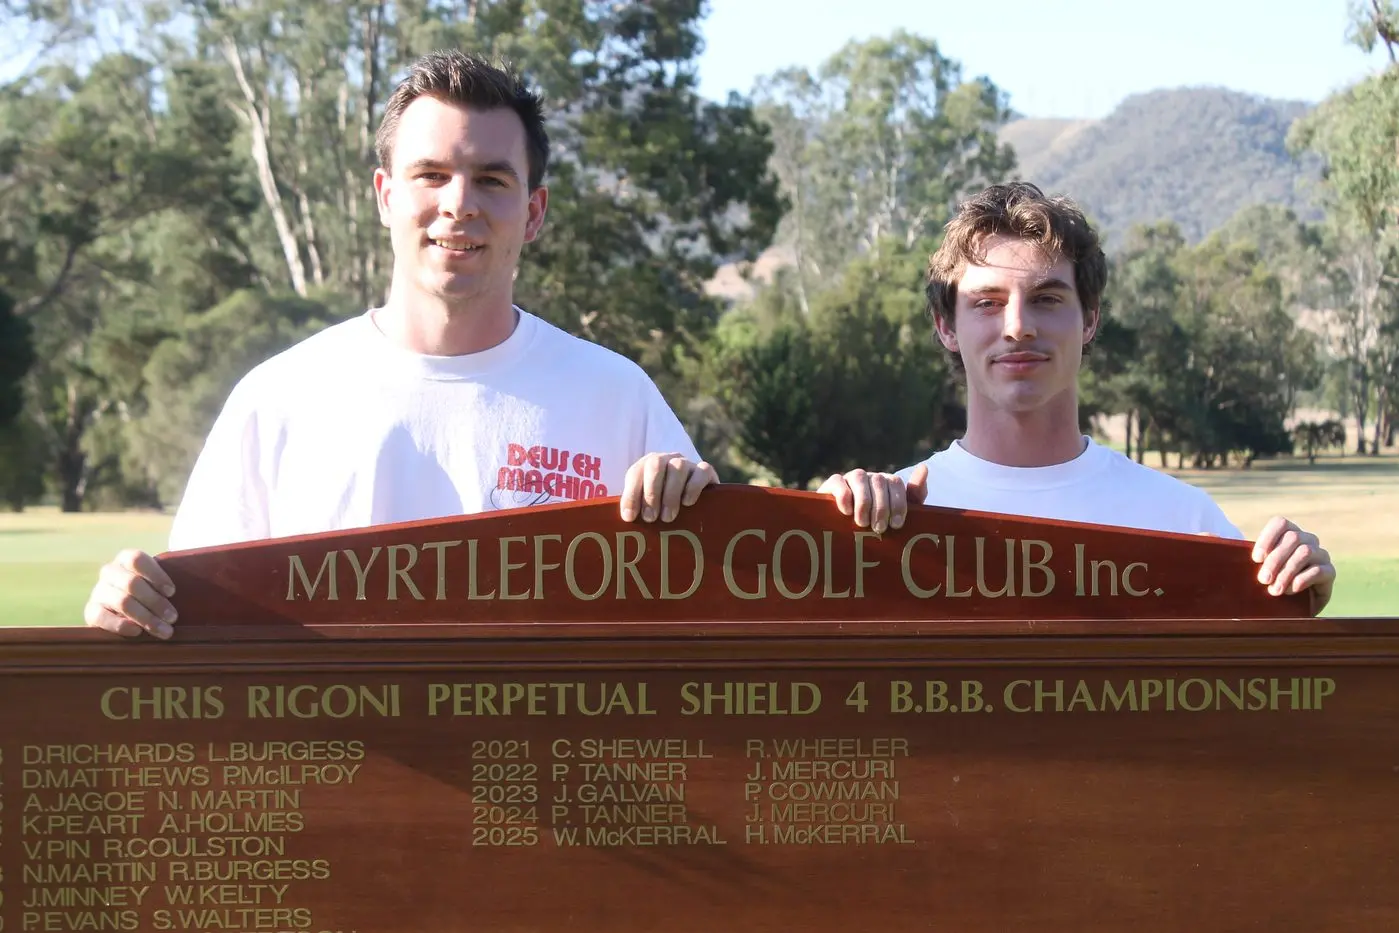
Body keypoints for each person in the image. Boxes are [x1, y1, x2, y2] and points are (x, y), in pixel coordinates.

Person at [83, 50, 716, 640]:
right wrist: (129, 609)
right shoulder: (279, 397)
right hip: (336, 762)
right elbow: (192, 625)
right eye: (431, 175)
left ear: (534, 211)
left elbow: (724, 619)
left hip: (543, 762)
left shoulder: (616, 395)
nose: (458, 204)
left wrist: (749, 515)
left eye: (492, 179)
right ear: (386, 196)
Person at [820, 182, 1336, 614]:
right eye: (987, 303)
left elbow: (1254, 704)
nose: (1018, 327)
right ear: (946, 326)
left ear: (1089, 319)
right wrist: (819, 535)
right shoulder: (889, 520)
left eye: (1046, 299)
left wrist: (1295, 595)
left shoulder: (1182, 520)